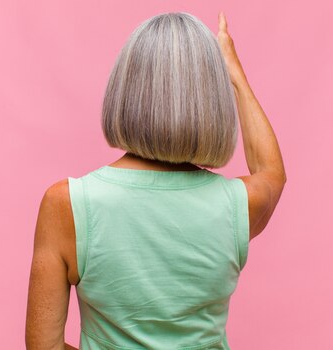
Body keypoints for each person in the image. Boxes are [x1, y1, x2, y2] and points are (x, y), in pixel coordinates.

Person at [26, 11, 286, 350]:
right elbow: (271, 172)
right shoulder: (237, 204)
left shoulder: (67, 205)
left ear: (125, 89)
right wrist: (234, 73)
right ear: (212, 99)